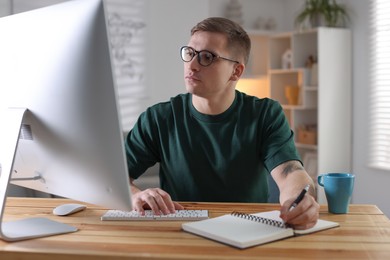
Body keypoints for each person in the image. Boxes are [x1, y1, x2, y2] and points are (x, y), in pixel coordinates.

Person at [125, 17, 319, 229]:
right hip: (180, 231)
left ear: (236, 71)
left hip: (249, 231)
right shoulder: (158, 118)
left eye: (207, 57)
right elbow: (117, 179)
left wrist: (300, 199)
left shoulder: (265, 114)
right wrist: (135, 195)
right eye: (189, 53)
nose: (192, 65)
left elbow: (291, 172)